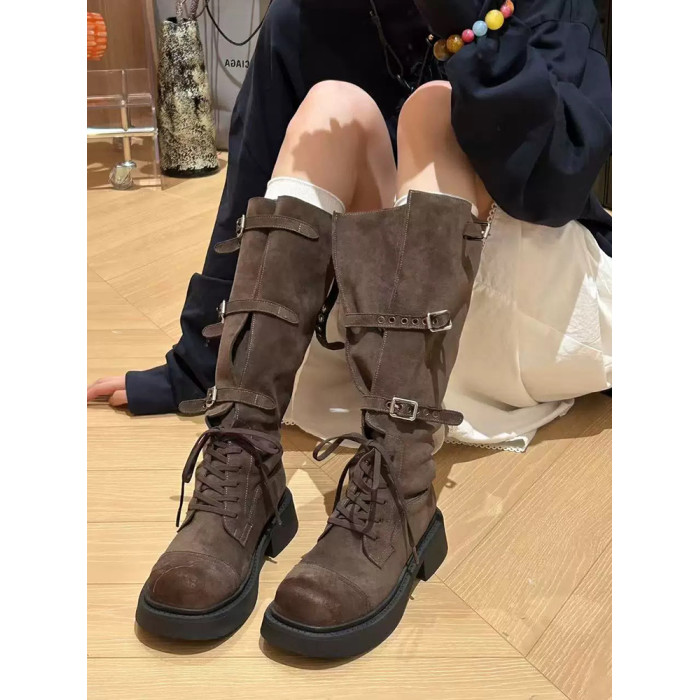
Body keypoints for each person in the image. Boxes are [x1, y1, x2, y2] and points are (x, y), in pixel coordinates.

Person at [93, 0, 612, 657]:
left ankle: (400, 480)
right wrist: (197, 364)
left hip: (526, 298)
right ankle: (246, 455)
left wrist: (466, 22)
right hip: (384, 327)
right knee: (330, 104)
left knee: (434, 111)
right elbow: (251, 190)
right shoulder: (309, 16)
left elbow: (558, 187)